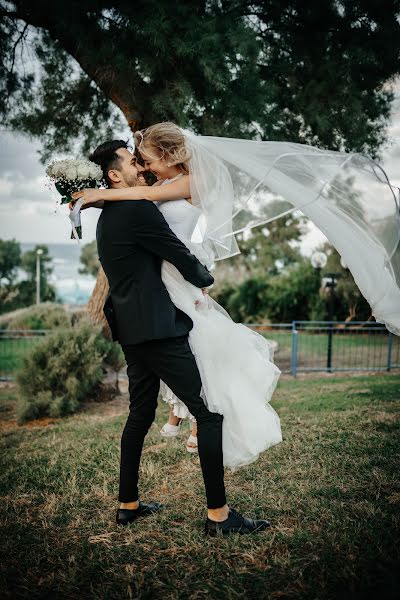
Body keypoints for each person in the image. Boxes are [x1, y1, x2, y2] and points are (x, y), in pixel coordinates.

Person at [86, 139, 273, 535]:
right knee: (207, 412)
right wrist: (205, 280)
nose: (138, 164)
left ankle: (128, 505)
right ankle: (219, 517)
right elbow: (177, 253)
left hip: (131, 330)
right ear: (115, 175)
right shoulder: (136, 209)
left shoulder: (108, 216)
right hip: (157, 328)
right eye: (130, 160)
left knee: (139, 413)